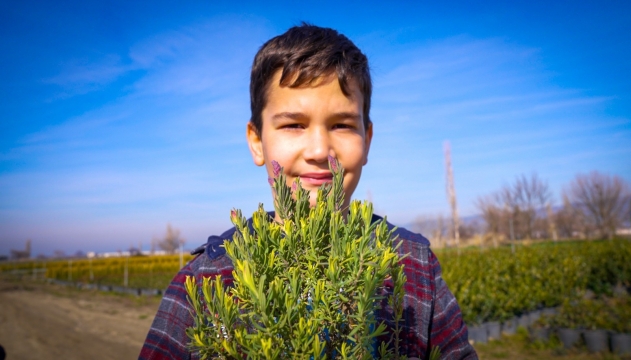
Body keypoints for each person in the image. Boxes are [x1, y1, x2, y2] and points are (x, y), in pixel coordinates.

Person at [139, 24, 477, 360]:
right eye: (293, 125)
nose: (319, 150)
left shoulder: (412, 264)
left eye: (342, 125)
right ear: (257, 142)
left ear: (367, 140)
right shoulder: (206, 278)